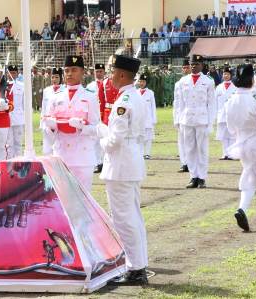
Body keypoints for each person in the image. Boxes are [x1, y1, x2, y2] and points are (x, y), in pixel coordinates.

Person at [97, 55, 148, 285]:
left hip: (121, 163)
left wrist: (100, 139)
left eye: (112, 72)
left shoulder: (123, 100)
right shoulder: (133, 96)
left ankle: (135, 268)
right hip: (131, 160)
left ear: (121, 74)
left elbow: (114, 140)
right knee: (133, 216)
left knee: (123, 218)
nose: (110, 76)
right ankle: (138, 265)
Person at [225, 64, 256, 232]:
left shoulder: (231, 100)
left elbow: (231, 128)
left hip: (242, 144)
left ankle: (242, 209)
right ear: (251, 80)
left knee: (250, 178)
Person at [43, 55, 99, 192]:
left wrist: (82, 128)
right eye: (67, 70)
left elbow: (96, 128)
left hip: (83, 156)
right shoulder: (55, 97)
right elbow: (47, 130)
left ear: (82, 72)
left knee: (84, 198)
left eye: (74, 70)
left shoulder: (90, 97)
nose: (69, 74)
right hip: (61, 155)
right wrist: (51, 127)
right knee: (63, 199)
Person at [177, 55, 215, 188]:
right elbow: (179, 103)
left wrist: (210, 123)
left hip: (202, 118)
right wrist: (178, 120)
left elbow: (211, 104)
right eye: (192, 63)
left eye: (197, 64)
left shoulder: (208, 81)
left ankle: (202, 177)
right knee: (190, 149)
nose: (193, 66)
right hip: (187, 118)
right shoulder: (183, 81)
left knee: (202, 149)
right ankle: (193, 176)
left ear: (202, 65)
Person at [87, 63, 106, 173]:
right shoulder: (90, 86)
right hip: (94, 115)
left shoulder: (108, 84)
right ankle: (96, 163)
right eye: (97, 71)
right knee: (94, 140)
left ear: (104, 72)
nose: (99, 73)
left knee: (104, 139)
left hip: (105, 115)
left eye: (101, 71)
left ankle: (104, 162)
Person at [215, 67, 237, 160]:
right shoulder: (219, 87)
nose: (226, 76)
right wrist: (216, 113)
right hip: (221, 114)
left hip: (232, 113)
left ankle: (232, 154)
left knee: (232, 135)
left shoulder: (235, 87)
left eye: (227, 74)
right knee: (223, 135)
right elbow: (215, 101)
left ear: (231, 75)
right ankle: (225, 154)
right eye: (224, 74)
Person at [173, 59, 191, 172]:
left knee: (191, 142)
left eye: (187, 67)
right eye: (184, 67)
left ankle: (191, 162)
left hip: (192, 115)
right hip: (181, 115)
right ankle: (184, 163)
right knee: (182, 141)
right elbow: (176, 102)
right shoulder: (178, 83)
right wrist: (175, 118)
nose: (185, 69)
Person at [41, 67, 63, 155]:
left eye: (57, 77)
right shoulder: (46, 90)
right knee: (47, 150)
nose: (54, 79)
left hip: (59, 124)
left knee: (58, 149)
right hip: (47, 124)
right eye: (53, 77)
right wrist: (42, 124)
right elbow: (43, 108)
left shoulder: (65, 90)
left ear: (61, 78)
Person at [6, 65, 25, 158]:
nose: (12, 75)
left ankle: (19, 162)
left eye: (14, 73)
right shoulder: (4, 86)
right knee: (9, 143)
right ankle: (9, 162)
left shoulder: (22, 86)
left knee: (18, 142)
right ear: (7, 74)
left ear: (17, 74)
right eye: (10, 72)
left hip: (19, 118)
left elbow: (24, 104)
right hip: (7, 118)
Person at [137, 73, 157, 159]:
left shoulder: (150, 93)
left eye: (143, 81)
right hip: (138, 119)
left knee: (148, 138)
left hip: (148, 118)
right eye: (140, 81)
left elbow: (153, 107)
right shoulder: (135, 92)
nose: (141, 83)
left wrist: (154, 119)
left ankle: (147, 153)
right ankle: (140, 153)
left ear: (146, 82)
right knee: (139, 136)